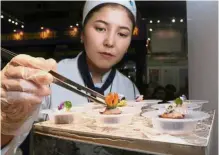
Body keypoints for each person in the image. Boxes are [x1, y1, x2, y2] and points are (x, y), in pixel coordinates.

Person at [1, 0, 140, 154]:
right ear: (82, 34)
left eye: (122, 34)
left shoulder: (130, 88)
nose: (110, 42)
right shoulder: (49, 77)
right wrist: (7, 120)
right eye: (100, 28)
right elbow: (8, 145)